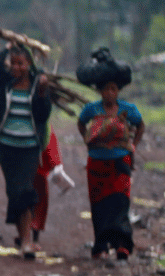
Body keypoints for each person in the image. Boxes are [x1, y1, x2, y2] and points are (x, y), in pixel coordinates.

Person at [0, 44, 55, 259]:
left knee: (24, 190)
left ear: (29, 65)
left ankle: (26, 241)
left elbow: (43, 116)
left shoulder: (38, 85)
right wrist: (6, 48)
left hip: (29, 148)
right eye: (13, 63)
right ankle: (24, 236)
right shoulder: (5, 83)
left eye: (21, 63)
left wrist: (43, 93)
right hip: (7, 147)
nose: (16, 67)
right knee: (13, 192)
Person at [77, 47, 142, 260]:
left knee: (120, 202)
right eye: (105, 89)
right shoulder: (91, 110)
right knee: (99, 205)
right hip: (97, 163)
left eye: (113, 89)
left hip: (120, 162)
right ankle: (101, 245)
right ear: (100, 91)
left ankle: (122, 244)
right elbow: (81, 124)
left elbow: (140, 125)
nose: (109, 94)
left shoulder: (128, 109)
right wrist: (88, 141)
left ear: (118, 90)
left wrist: (133, 145)